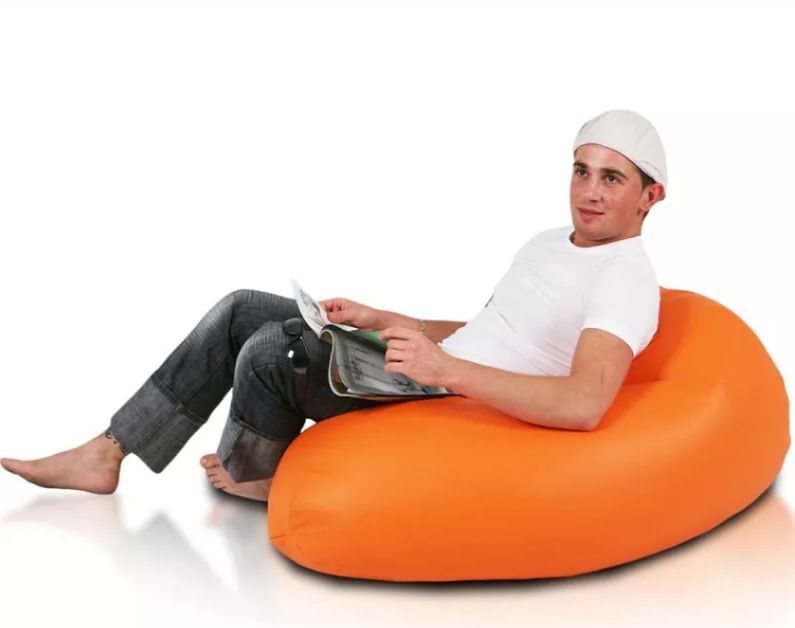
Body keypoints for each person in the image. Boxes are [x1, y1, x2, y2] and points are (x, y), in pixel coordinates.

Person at [1, 108, 667, 503]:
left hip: (452, 401)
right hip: (433, 373)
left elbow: (583, 403)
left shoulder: (623, 278)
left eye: (611, 178)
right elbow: (486, 329)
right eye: (580, 170)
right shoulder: (548, 242)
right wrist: (388, 320)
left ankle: (255, 476)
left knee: (275, 351)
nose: (588, 191)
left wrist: (446, 371)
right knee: (241, 309)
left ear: (649, 196)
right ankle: (107, 452)